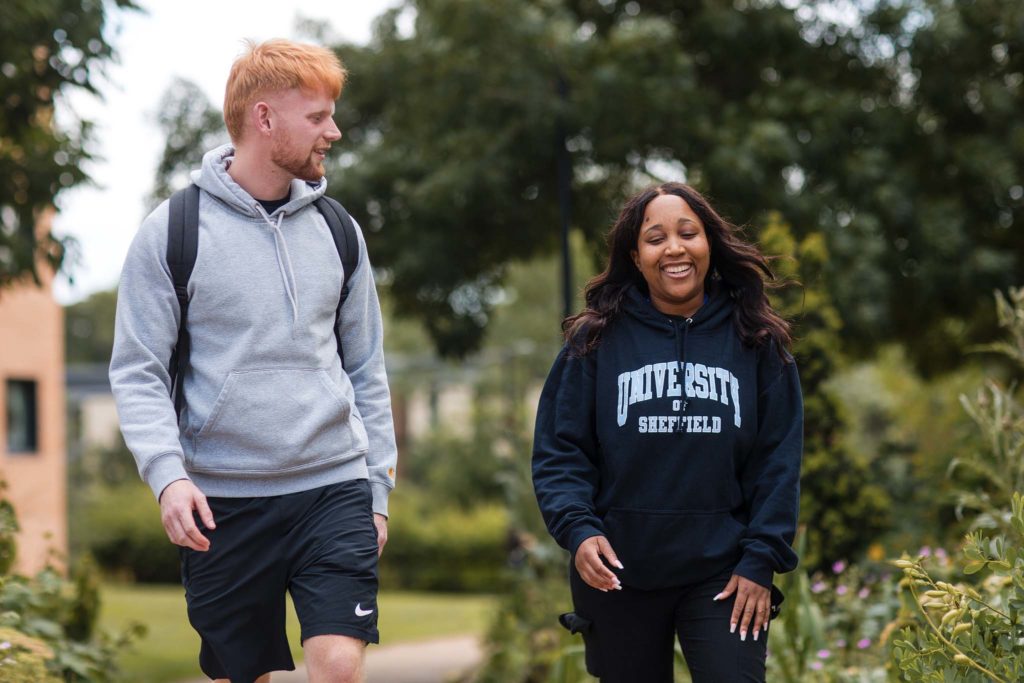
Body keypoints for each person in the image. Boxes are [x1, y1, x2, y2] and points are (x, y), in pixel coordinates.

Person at [109, 39, 397, 683]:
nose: (335, 131)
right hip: (224, 500)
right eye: (318, 117)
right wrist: (167, 475)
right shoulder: (172, 231)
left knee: (339, 666)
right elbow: (138, 369)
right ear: (264, 119)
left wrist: (376, 488)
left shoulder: (339, 231)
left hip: (333, 485)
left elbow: (367, 368)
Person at [532, 182, 803, 682]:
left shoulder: (756, 340)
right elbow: (559, 453)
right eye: (655, 238)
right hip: (618, 572)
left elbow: (778, 462)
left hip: (725, 573)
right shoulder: (593, 342)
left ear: (709, 245)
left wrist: (761, 558)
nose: (674, 248)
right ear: (635, 256)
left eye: (688, 233)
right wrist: (579, 529)